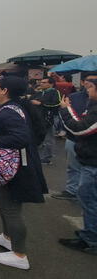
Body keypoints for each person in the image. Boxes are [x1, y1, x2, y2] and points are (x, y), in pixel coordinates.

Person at [0, 76, 48, 270]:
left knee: (11, 207)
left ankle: (19, 254)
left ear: (5, 91)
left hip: (16, 167)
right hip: (12, 164)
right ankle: (7, 237)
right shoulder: (15, 107)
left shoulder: (10, 112)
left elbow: (20, 138)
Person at [57, 78, 97, 255]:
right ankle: (89, 233)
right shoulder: (92, 105)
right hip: (89, 158)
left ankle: (91, 239)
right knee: (88, 198)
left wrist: (66, 110)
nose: (87, 91)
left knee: (89, 199)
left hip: (93, 161)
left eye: (90, 87)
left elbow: (80, 128)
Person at [52, 72, 97, 201]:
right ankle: (71, 190)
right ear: (82, 82)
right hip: (74, 138)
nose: (90, 84)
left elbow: (82, 125)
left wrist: (67, 111)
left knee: (89, 193)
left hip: (86, 139)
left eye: (94, 82)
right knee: (73, 167)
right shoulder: (75, 96)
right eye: (89, 81)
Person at [31, 76, 61, 164]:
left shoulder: (55, 92)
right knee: (38, 138)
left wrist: (41, 103)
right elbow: (31, 100)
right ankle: (38, 156)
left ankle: (46, 157)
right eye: (41, 82)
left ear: (51, 84)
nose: (41, 83)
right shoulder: (40, 93)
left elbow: (57, 104)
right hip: (38, 119)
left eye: (44, 82)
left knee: (48, 138)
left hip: (48, 118)